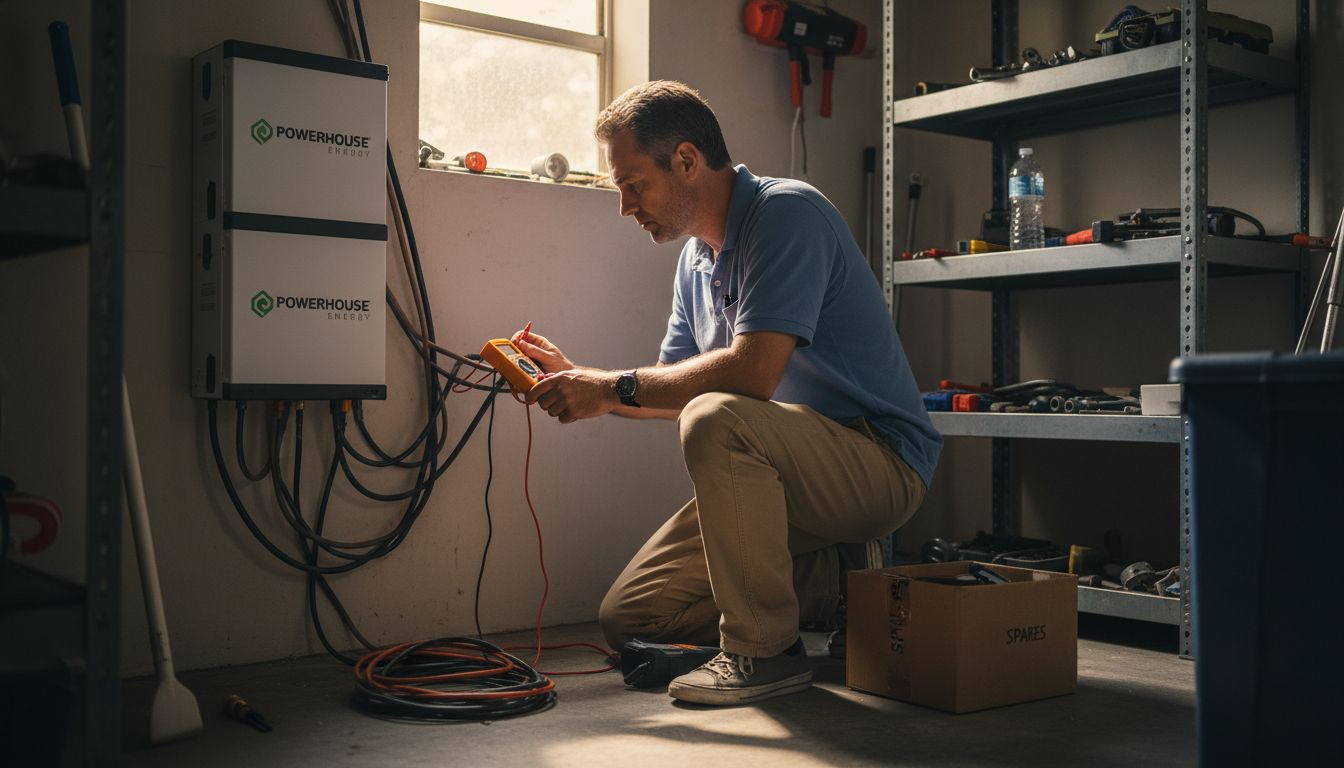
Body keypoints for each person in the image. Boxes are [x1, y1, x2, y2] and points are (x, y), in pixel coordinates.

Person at [514, 80, 941, 706]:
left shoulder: (787, 214)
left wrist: (607, 389)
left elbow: (749, 377)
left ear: (687, 161)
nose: (626, 207)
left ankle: (764, 653)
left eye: (635, 185)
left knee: (720, 416)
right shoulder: (695, 260)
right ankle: (838, 578)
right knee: (633, 618)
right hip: (781, 474)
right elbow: (674, 392)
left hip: (879, 461)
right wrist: (581, 381)